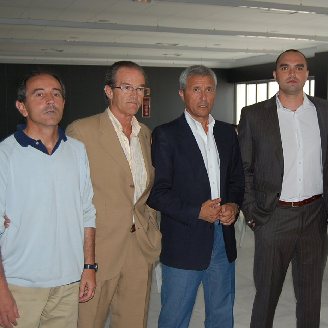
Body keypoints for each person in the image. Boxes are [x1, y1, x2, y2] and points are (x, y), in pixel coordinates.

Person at [238, 49, 328, 328]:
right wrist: (253, 215)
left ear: (306, 73)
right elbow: (244, 168)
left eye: (298, 67)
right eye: (285, 67)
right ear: (275, 74)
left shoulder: (325, 109)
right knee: (266, 296)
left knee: (310, 298)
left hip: (315, 216)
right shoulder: (254, 115)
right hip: (274, 217)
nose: (292, 73)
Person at [147, 65, 244, 328]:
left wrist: (233, 205)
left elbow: (237, 180)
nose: (203, 97)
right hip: (183, 242)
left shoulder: (227, 133)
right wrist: (196, 211)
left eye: (209, 89)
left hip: (222, 241)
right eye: (196, 89)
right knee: (175, 317)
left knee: (222, 315)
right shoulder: (166, 135)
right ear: (182, 93)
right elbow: (157, 193)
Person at [66, 61, 161, 328]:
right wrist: (84, 258)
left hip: (139, 247)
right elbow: (71, 197)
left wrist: (151, 228)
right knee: (88, 322)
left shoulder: (146, 135)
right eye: (126, 87)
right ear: (109, 91)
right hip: (98, 250)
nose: (134, 95)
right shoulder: (82, 132)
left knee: (134, 322)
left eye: (140, 88)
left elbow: (145, 192)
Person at [0, 71, 96, 328]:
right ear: (22, 106)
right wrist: (1, 291)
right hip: (20, 284)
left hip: (68, 283)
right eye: (39, 94)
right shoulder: (5, 154)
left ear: (64, 103)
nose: (50, 100)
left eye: (56, 94)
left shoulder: (77, 150)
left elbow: (87, 212)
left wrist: (89, 266)